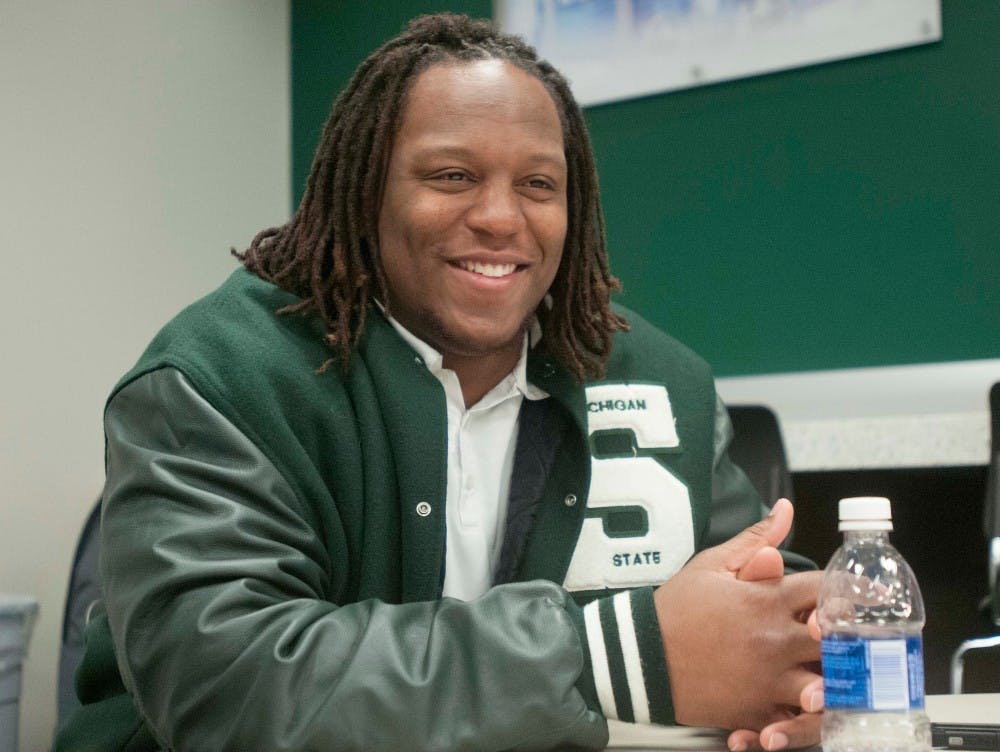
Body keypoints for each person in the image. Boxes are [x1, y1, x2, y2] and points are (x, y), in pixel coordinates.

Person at [56, 13, 823, 752]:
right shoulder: (221, 374)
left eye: (538, 184)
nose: (499, 216)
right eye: (452, 176)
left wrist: (801, 677)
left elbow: (760, 596)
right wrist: (615, 656)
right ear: (366, 195)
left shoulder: (657, 380)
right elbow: (227, 685)